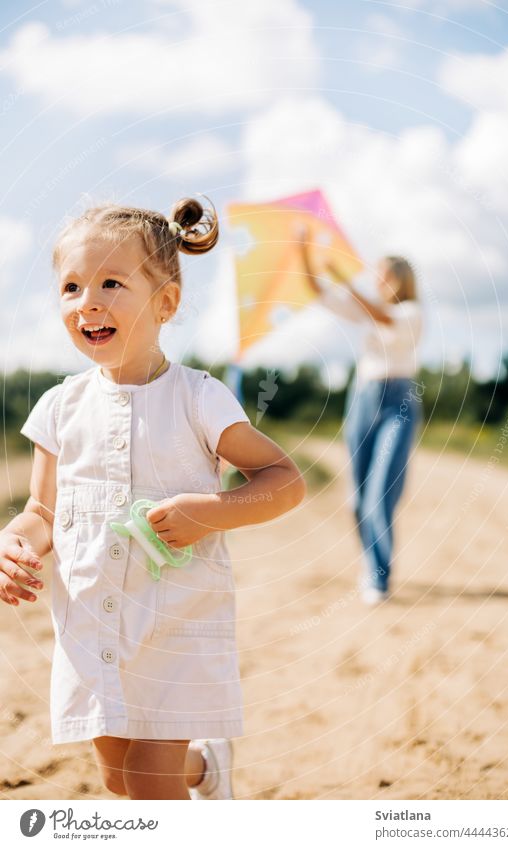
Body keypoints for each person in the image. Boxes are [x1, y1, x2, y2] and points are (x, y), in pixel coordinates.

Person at [0, 197, 306, 800]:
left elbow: (284, 480)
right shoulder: (58, 408)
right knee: (119, 777)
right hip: (92, 626)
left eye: (111, 282)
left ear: (165, 302)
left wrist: (211, 511)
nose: (88, 300)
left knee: (146, 781)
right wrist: (11, 542)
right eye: (71, 286)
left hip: (178, 627)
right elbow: (42, 512)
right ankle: (207, 772)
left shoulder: (199, 398)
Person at [297, 228, 423, 605]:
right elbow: (317, 293)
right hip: (363, 398)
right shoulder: (369, 311)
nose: (380, 279)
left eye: (387, 273)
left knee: (379, 493)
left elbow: (381, 316)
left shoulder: (410, 313)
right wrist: (303, 249)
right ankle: (371, 563)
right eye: (377, 273)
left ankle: (379, 578)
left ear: (403, 278)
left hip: (398, 400)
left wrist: (341, 274)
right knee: (358, 499)